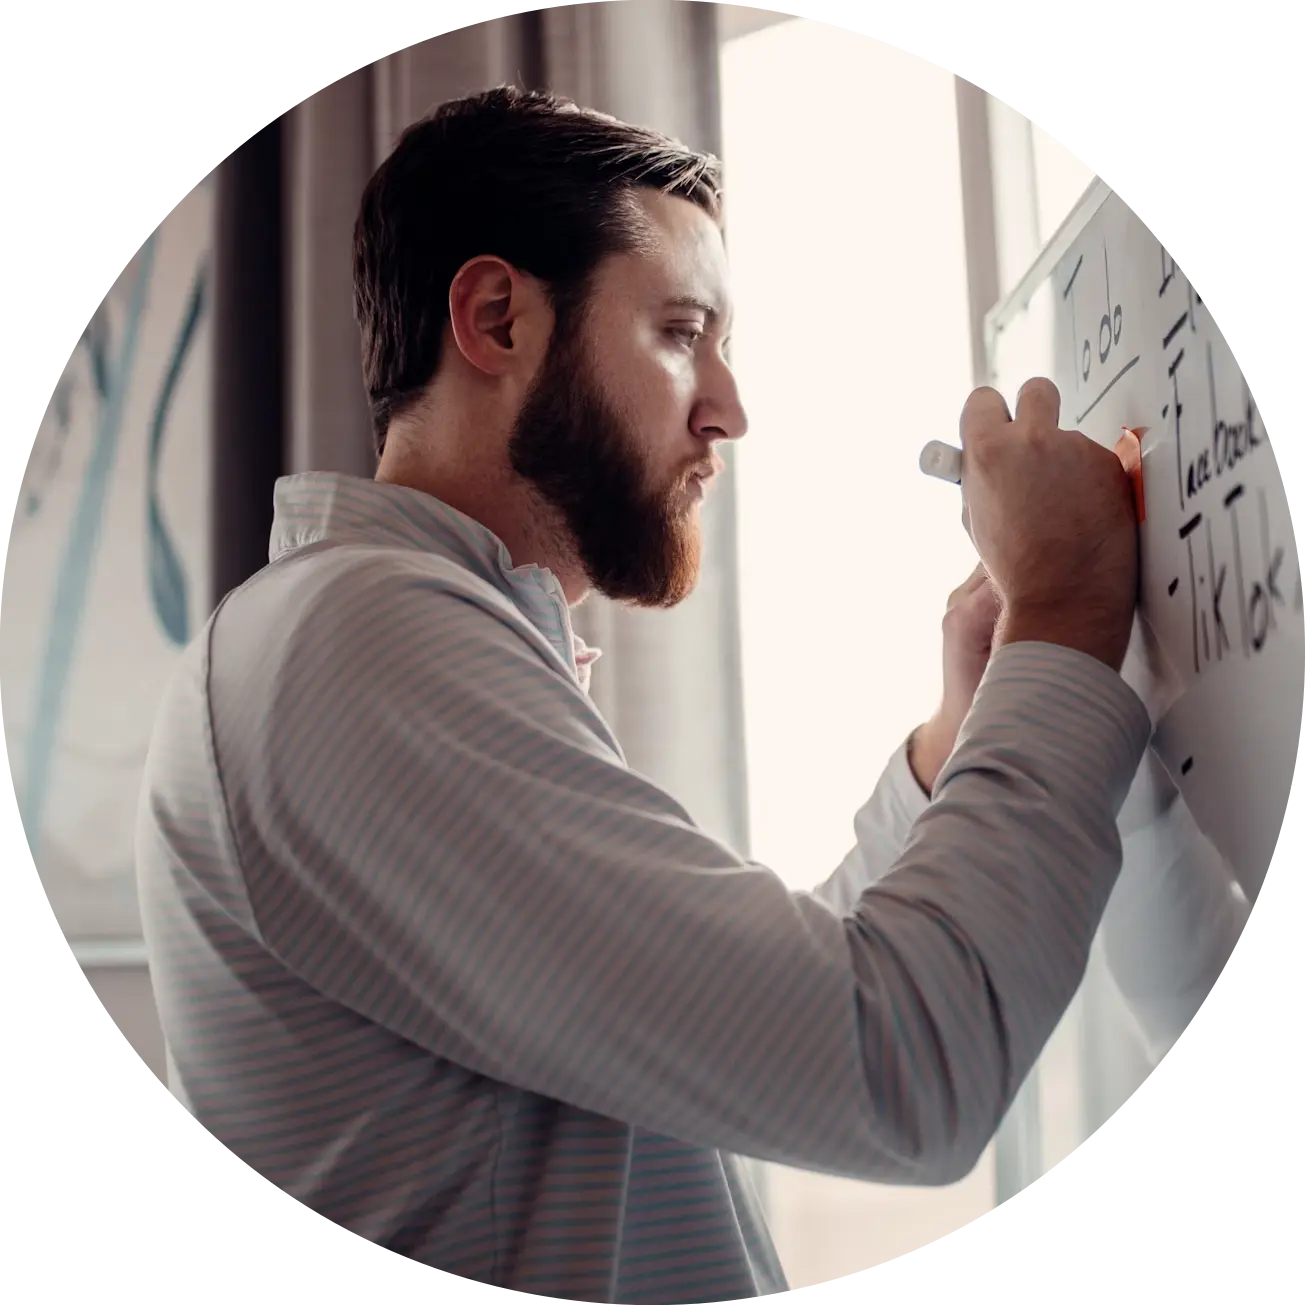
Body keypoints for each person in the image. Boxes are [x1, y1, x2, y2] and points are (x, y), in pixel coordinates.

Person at [135, 86, 1246, 1302]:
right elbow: (900, 1064)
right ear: (497, 319)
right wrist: (1065, 611)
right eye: (681, 332)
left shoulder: (379, 640)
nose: (730, 409)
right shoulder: (358, 644)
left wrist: (956, 744)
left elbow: (767, 1015)